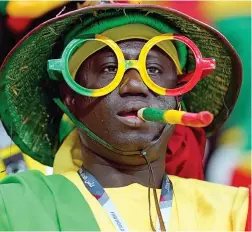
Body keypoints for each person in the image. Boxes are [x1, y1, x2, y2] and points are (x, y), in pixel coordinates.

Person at [0, 2, 249, 231]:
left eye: (153, 69)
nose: (135, 85)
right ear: (69, 98)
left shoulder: (236, 212)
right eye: (110, 68)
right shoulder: (16, 208)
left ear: (178, 97)